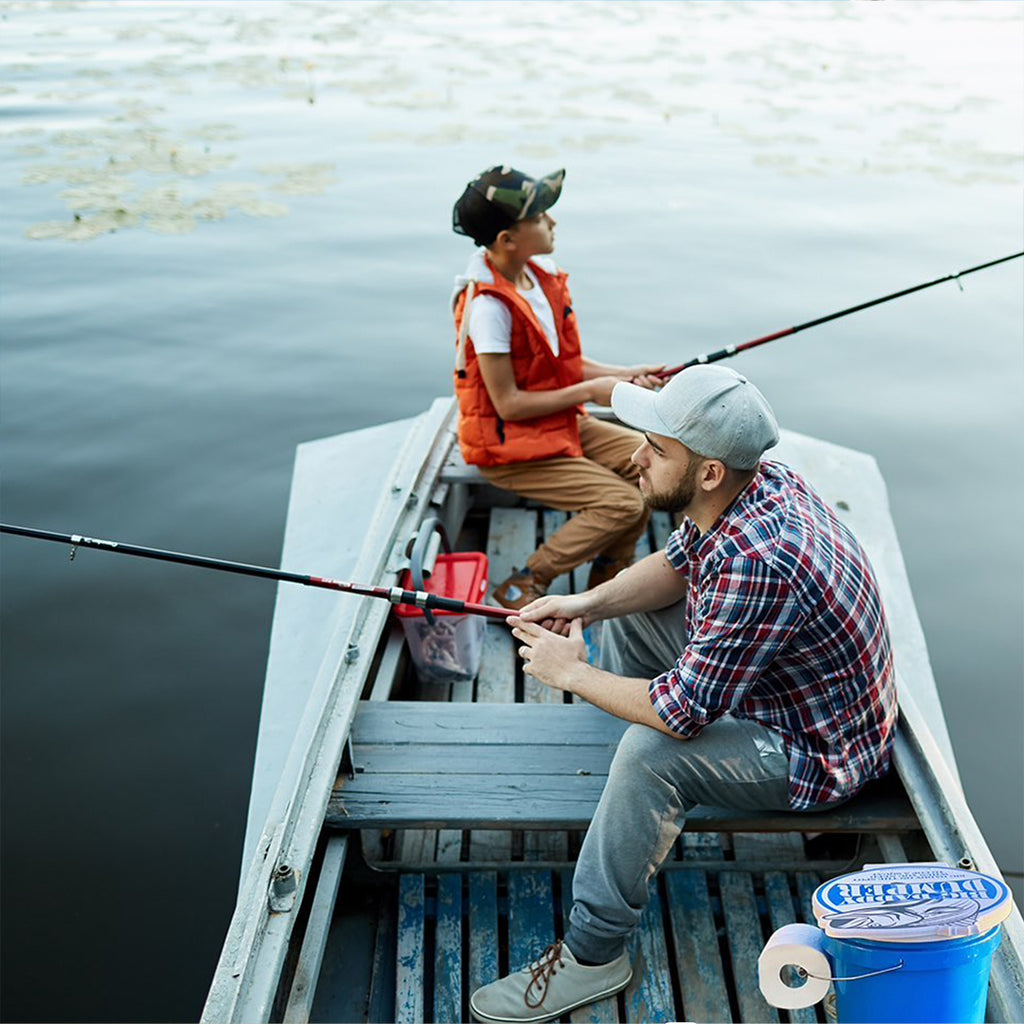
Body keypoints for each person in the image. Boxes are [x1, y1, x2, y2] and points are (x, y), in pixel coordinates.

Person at [468, 364, 898, 1024]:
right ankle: (633, 811)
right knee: (631, 613)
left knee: (649, 751)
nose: (636, 458)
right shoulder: (754, 483)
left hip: (813, 753)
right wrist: (584, 601)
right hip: (779, 695)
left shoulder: (759, 558)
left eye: (657, 449)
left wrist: (573, 672)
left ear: (708, 473)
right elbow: (676, 566)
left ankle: (593, 957)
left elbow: (679, 713)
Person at [451, 165, 664, 609]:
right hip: (506, 445)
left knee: (651, 466)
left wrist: (624, 373)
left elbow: (564, 365)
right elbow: (507, 405)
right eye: (541, 216)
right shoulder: (488, 307)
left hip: (556, 422)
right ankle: (524, 582)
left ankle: (611, 572)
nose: (553, 222)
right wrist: (591, 392)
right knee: (622, 503)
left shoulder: (537, 275)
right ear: (508, 239)